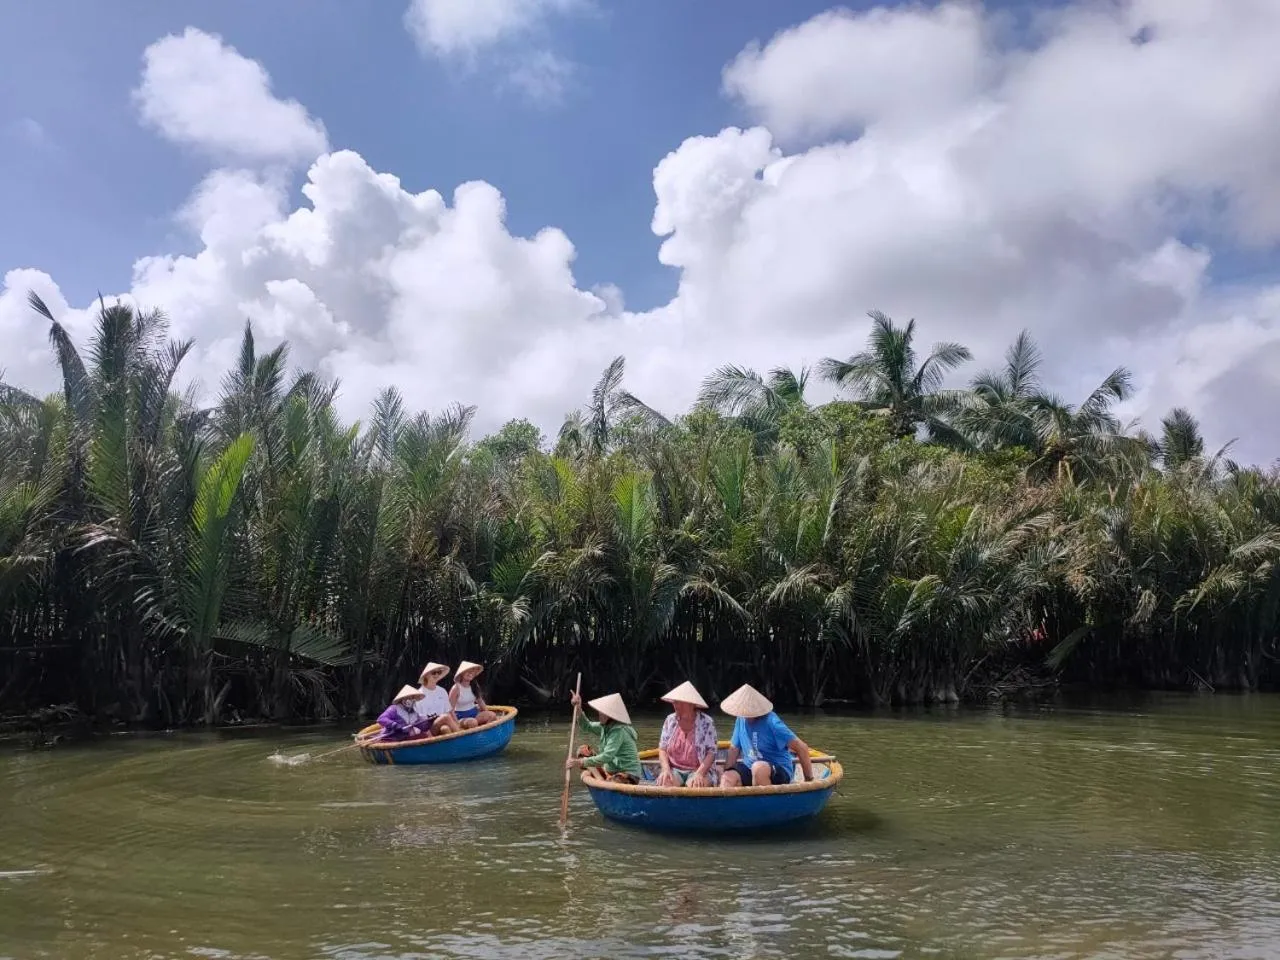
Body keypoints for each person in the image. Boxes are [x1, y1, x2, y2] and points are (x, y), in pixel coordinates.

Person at [719, 683, 815, 788]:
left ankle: (764, 803)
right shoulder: (740, 719)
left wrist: (809, 781)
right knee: (727, 777)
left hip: (778, 770)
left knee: (759, 769)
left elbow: (802, 748)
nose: (745, 715)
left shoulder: (772, 722)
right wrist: (726, 772)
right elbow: (734, 750)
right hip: (750, 768)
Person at [565, 691, 642, 784]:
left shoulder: (619, 731)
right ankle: (601, 779)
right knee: (583, 750)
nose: (599, 714)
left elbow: (607, 757)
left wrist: (580, 762)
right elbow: (586, 726)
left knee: (615, 781)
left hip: (628, 774)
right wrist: (578, 707)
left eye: (602, 712)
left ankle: (602, 781)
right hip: (610, 771)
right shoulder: (604, 727)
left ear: (610, 716)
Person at [655, 681, 719, 788]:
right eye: (674, 702)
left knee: (695, 786)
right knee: (665, 783)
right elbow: (662, 749)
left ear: (690, 704)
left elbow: (711, 753)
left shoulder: (706, 722)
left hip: (699, 769)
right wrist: (665, 770)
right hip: (674, 769)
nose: (675, 705)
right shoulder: (670, 720)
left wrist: (699, 773)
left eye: (678, 702)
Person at [414, 662, 459, 736]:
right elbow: (418, 720)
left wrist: (457, 723)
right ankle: (461, 735)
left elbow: (450, 711)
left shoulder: (442, 691)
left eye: (439, 672)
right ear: (426, 675)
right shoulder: (419, 695)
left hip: (444, 723)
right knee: (445, 717)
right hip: (428, 728)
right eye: (434, 673)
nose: (437, 675)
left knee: (445, 729)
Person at [450, 660, 498, 729]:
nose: (470, 673)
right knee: (473, 722)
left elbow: (480, 701)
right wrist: (456, 724)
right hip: (460, 717)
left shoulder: (474, 685)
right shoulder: (456, 688)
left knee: (492, 715)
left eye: (472, 672)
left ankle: (483, 735)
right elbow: (450, 709)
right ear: (462, 673)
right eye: (467, 671)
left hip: (474, 714)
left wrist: (487, 714)